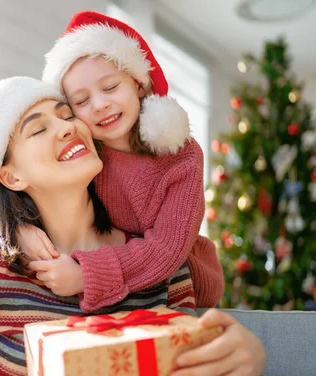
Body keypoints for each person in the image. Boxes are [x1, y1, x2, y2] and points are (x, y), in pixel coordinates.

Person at [0, 76, 195, 376]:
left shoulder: (161, 257)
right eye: (39, 129)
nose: (69, 127)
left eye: (67, 115)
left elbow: (191, 364)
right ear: (11, 177)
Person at [18, 10, 224, 311]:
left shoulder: (181, 154)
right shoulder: (86, 159)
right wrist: (21, 228)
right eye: (82, 100)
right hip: (121, 280)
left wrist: (87, 275)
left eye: (111, 87)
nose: (101, 105)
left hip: (183, 284)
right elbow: (46, 194)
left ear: (138, 84)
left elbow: (167, 250)